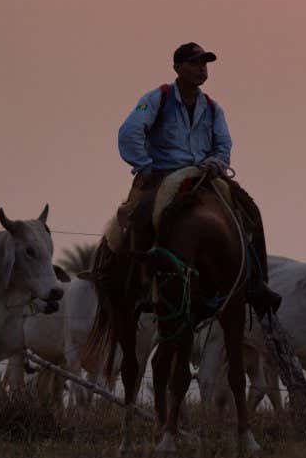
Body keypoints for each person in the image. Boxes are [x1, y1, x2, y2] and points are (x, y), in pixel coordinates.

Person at [116, 41, 280, 314]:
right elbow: (130, 131)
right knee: (142, 214)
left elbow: (223, 143)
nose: (201, 69)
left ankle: (256, 283)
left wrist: (216, 162)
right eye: (194, 63)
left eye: (204, 63)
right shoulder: (158, 98)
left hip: (204, 174)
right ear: (177, 67)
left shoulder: (213, 108)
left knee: (251, 211)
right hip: (164, 172)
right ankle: (142, 282)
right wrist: (144, 166)